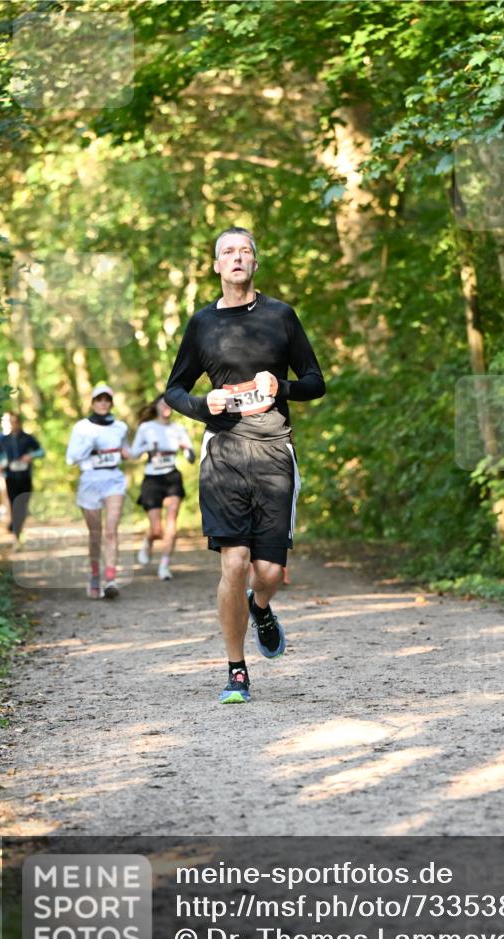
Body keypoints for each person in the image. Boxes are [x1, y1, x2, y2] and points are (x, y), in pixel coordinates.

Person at [165, 226, 326, 704]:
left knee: (269, 572)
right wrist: (203, 403)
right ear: (216, 266)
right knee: (233, 562)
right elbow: (173, 390)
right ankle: (236, 670)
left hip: (275, 452)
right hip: (223, 453)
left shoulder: (281, 316)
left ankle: (262, 608)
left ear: (255, 263)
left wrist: (283, 386)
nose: (237, 258)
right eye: (227, 252)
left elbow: (315, 381)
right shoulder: (201, 324)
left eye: (245, 251)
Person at [66, 384, 130, 599]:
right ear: (92, 403)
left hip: (113, 479)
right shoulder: (81, 427)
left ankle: (110, 579)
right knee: (95, 534)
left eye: (106, 399)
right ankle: (95, 575)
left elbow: (126, 451)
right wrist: (89, 444)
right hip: (90, 480)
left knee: (111, 530)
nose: (103, 403)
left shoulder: (120, 427)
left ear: (111, 403)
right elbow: (70, 458)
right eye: (99, 399)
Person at [130, 394, 195, 580]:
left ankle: (164, 565)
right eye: (162, 403)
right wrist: (147, 447)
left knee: (172, 521)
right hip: (152, 479)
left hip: (172, 477)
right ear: (156, 407)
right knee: (157, 528)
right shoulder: (146, 428)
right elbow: (134, 454)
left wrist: (186, 448)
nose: (166, 407)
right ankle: (148, 540)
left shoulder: (178, 428)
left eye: (169, 404)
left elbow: (191, 458)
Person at [0, 413, 44, 545]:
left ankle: (16, 525)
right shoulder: (2, 440)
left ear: (19, 423)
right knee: (14, 504)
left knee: (23, 505)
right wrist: (0, 464)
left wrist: (30, 456)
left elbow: (41, 451)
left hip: (25, 477)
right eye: (9, 422)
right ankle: (17, 534)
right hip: (10, 478)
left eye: (14, 421)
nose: (12, 424)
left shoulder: (27, 438)